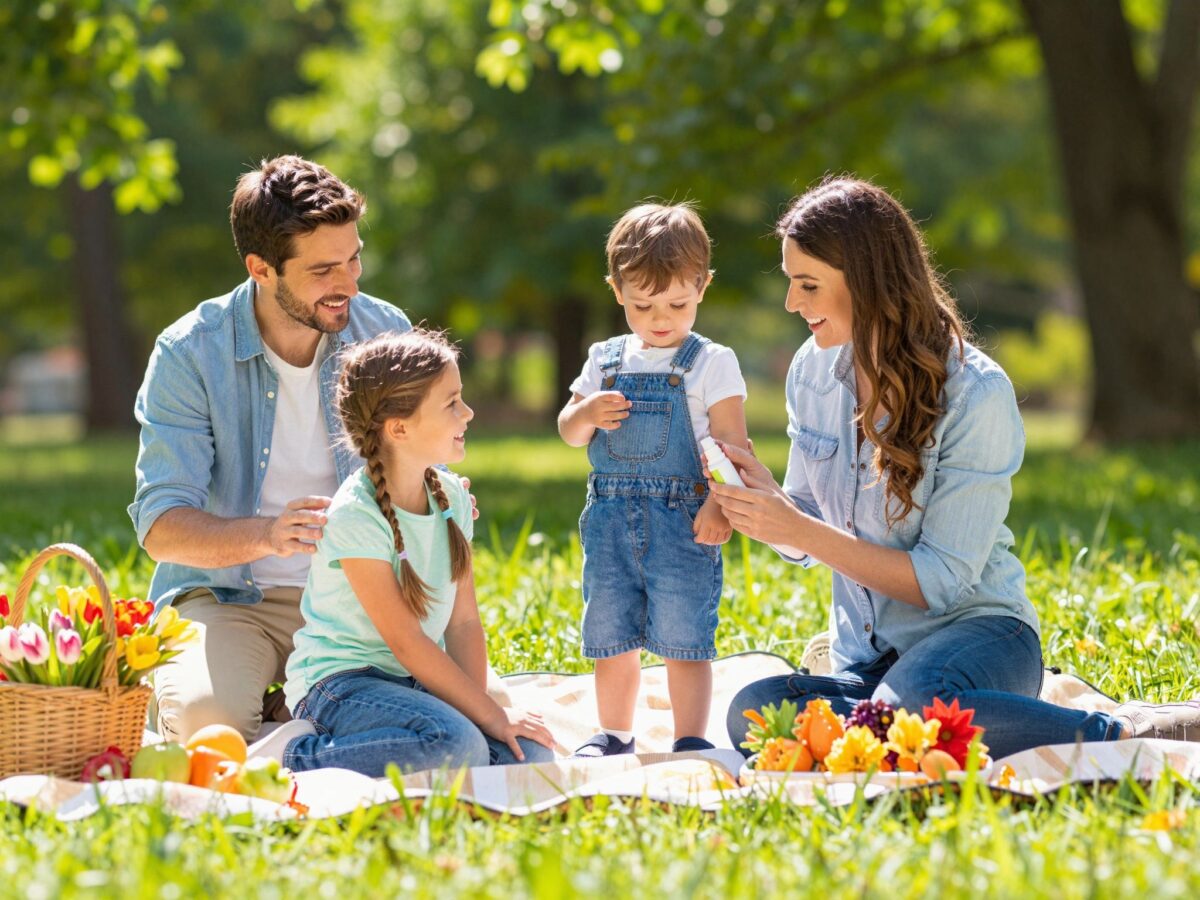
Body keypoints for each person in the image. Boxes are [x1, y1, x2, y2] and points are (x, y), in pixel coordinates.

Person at [715, 177, 1200, 760]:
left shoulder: (975, 392)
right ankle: (897, 723)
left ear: (866, 283)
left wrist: (799, 530)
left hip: (981, 637)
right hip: (866, 662)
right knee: (754, 712)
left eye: (808, 284)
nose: (793, 303)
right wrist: (765, 504)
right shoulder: (812, 371)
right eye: (792, 283)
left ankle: (1124, 733)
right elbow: (808, 530)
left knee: (910, 712)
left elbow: (939, 583)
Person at [129, 155, 413, 744]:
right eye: (324, 270)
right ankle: (290, 711)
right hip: (231, 599)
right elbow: (161, 525)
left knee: (440, 715)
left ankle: (294, 712)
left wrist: (437, 489)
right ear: (261, 268)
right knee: (212, 729)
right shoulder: (189, 354)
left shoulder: (383, 331)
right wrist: (266, 534)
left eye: (355, 258)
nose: (350, 285)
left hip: (359, 595)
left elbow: (415, 463)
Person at [276, 329, 555, 775]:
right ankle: (291, 757)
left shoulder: (451, 498)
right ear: (399, 428)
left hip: (413, 679)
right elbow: (406, 643)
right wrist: (486, 717)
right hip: (341, 684)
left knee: (529, 754)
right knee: (457, 745)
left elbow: (463, 623)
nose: (468, 412)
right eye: (451, 403)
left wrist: (484, 711)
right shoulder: (355, 516)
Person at [558, 202, 749, 757]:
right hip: (610, 521)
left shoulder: (712, 361)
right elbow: (569, 432)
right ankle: (615, 733)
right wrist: (586, 414)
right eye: (642, 304)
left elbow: (732, 447)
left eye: (677, 303)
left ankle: (691, 737)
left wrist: (720, 506)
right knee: (610, 632)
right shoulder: (604, 359)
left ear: (703, 288)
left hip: (684, 520)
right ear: (617, 291)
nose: (660, 317)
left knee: (684, 636)